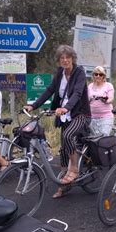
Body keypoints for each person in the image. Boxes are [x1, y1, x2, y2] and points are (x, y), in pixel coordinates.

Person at [24, 45, 91, 198]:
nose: (65, 60)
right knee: (63, 150)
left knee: (68, 136)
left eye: (68, 57)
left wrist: (66, 108)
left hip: (80, 114)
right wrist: (33, 105)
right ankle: (64, 185)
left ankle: (74, 169)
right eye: (62, 58)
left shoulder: (79, 72)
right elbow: (49, 90)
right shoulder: (60, 73)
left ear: (72, 58)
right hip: (64, 115)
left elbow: (77, 93)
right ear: (59, 60)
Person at [88, 66, 115, 136]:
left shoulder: (108, 86)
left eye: (100, 74)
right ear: (93, 75)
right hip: (92, 117)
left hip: (106, 117)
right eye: (96, 74)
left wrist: (106, 100)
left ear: (104, 76)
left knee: (104, 136)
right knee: (93, 139)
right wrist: (90, 98)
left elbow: (111, 98)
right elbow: (86, 100)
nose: (98, 76)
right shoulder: (90, 86)